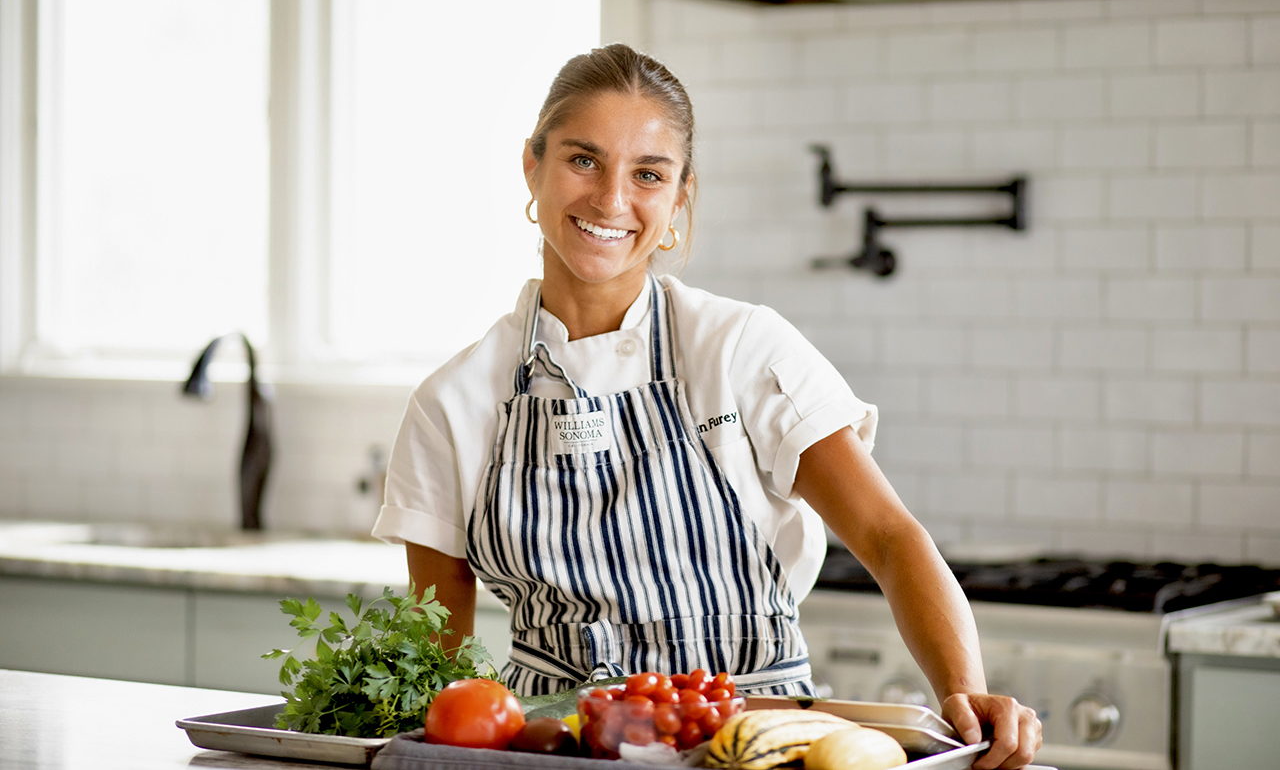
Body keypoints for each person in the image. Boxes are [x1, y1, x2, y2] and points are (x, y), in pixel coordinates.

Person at [372, 43, 1042, 769]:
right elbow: (433, 649)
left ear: (679, 197)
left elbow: (886, 536)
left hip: (761, 747)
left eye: (648, 174)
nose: (609, 200)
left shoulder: (742, 347)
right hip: (560, 753)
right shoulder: (454, 401)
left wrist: (964, 688)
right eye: (582, 159)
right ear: (532, 165)